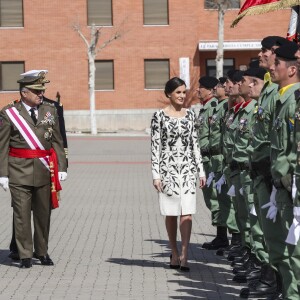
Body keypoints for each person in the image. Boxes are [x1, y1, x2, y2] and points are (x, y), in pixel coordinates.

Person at [0, 71, 67, 268]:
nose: (41, 94)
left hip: (45, 170)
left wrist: (62, 166)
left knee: (43, 213)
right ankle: (25, 255)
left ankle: (42, 251)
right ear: (24, 93)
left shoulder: (50, 110)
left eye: (42, 90)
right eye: (37, 91)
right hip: (18, 171)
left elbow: (57, 140)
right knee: (21, 215)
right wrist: (2, 173)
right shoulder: (9, 113)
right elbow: (2, 146)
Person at [151, 77, 206, 271]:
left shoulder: (191, 115)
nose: (182, 96)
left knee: (187, 212)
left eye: (184, 92)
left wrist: (201, 170)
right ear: (169, 94)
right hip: (168, 171)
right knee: (171, 212)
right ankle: (173, 251)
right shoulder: (159, 116)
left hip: (188, 170)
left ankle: (185, 254)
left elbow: (195, 144)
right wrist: (156, 174)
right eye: (178, 92)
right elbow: (155, 146)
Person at [267, 41, 300, 300]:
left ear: (291, 69)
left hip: (293, 189)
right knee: (286, 250)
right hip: (281, 188)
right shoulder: (282, 99)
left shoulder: (295, 100)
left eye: (277, 63)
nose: (272, 67)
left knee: (296, 254)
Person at [196, 76, 229, 250]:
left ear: (209, 90)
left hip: (214, 159)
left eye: (201, 88)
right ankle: (221, 237)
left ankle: (223, 238)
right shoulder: (206, 108)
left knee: (216, 199)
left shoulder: (216, 107)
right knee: (211, 199)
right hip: (206, 159)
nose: (197, 91)